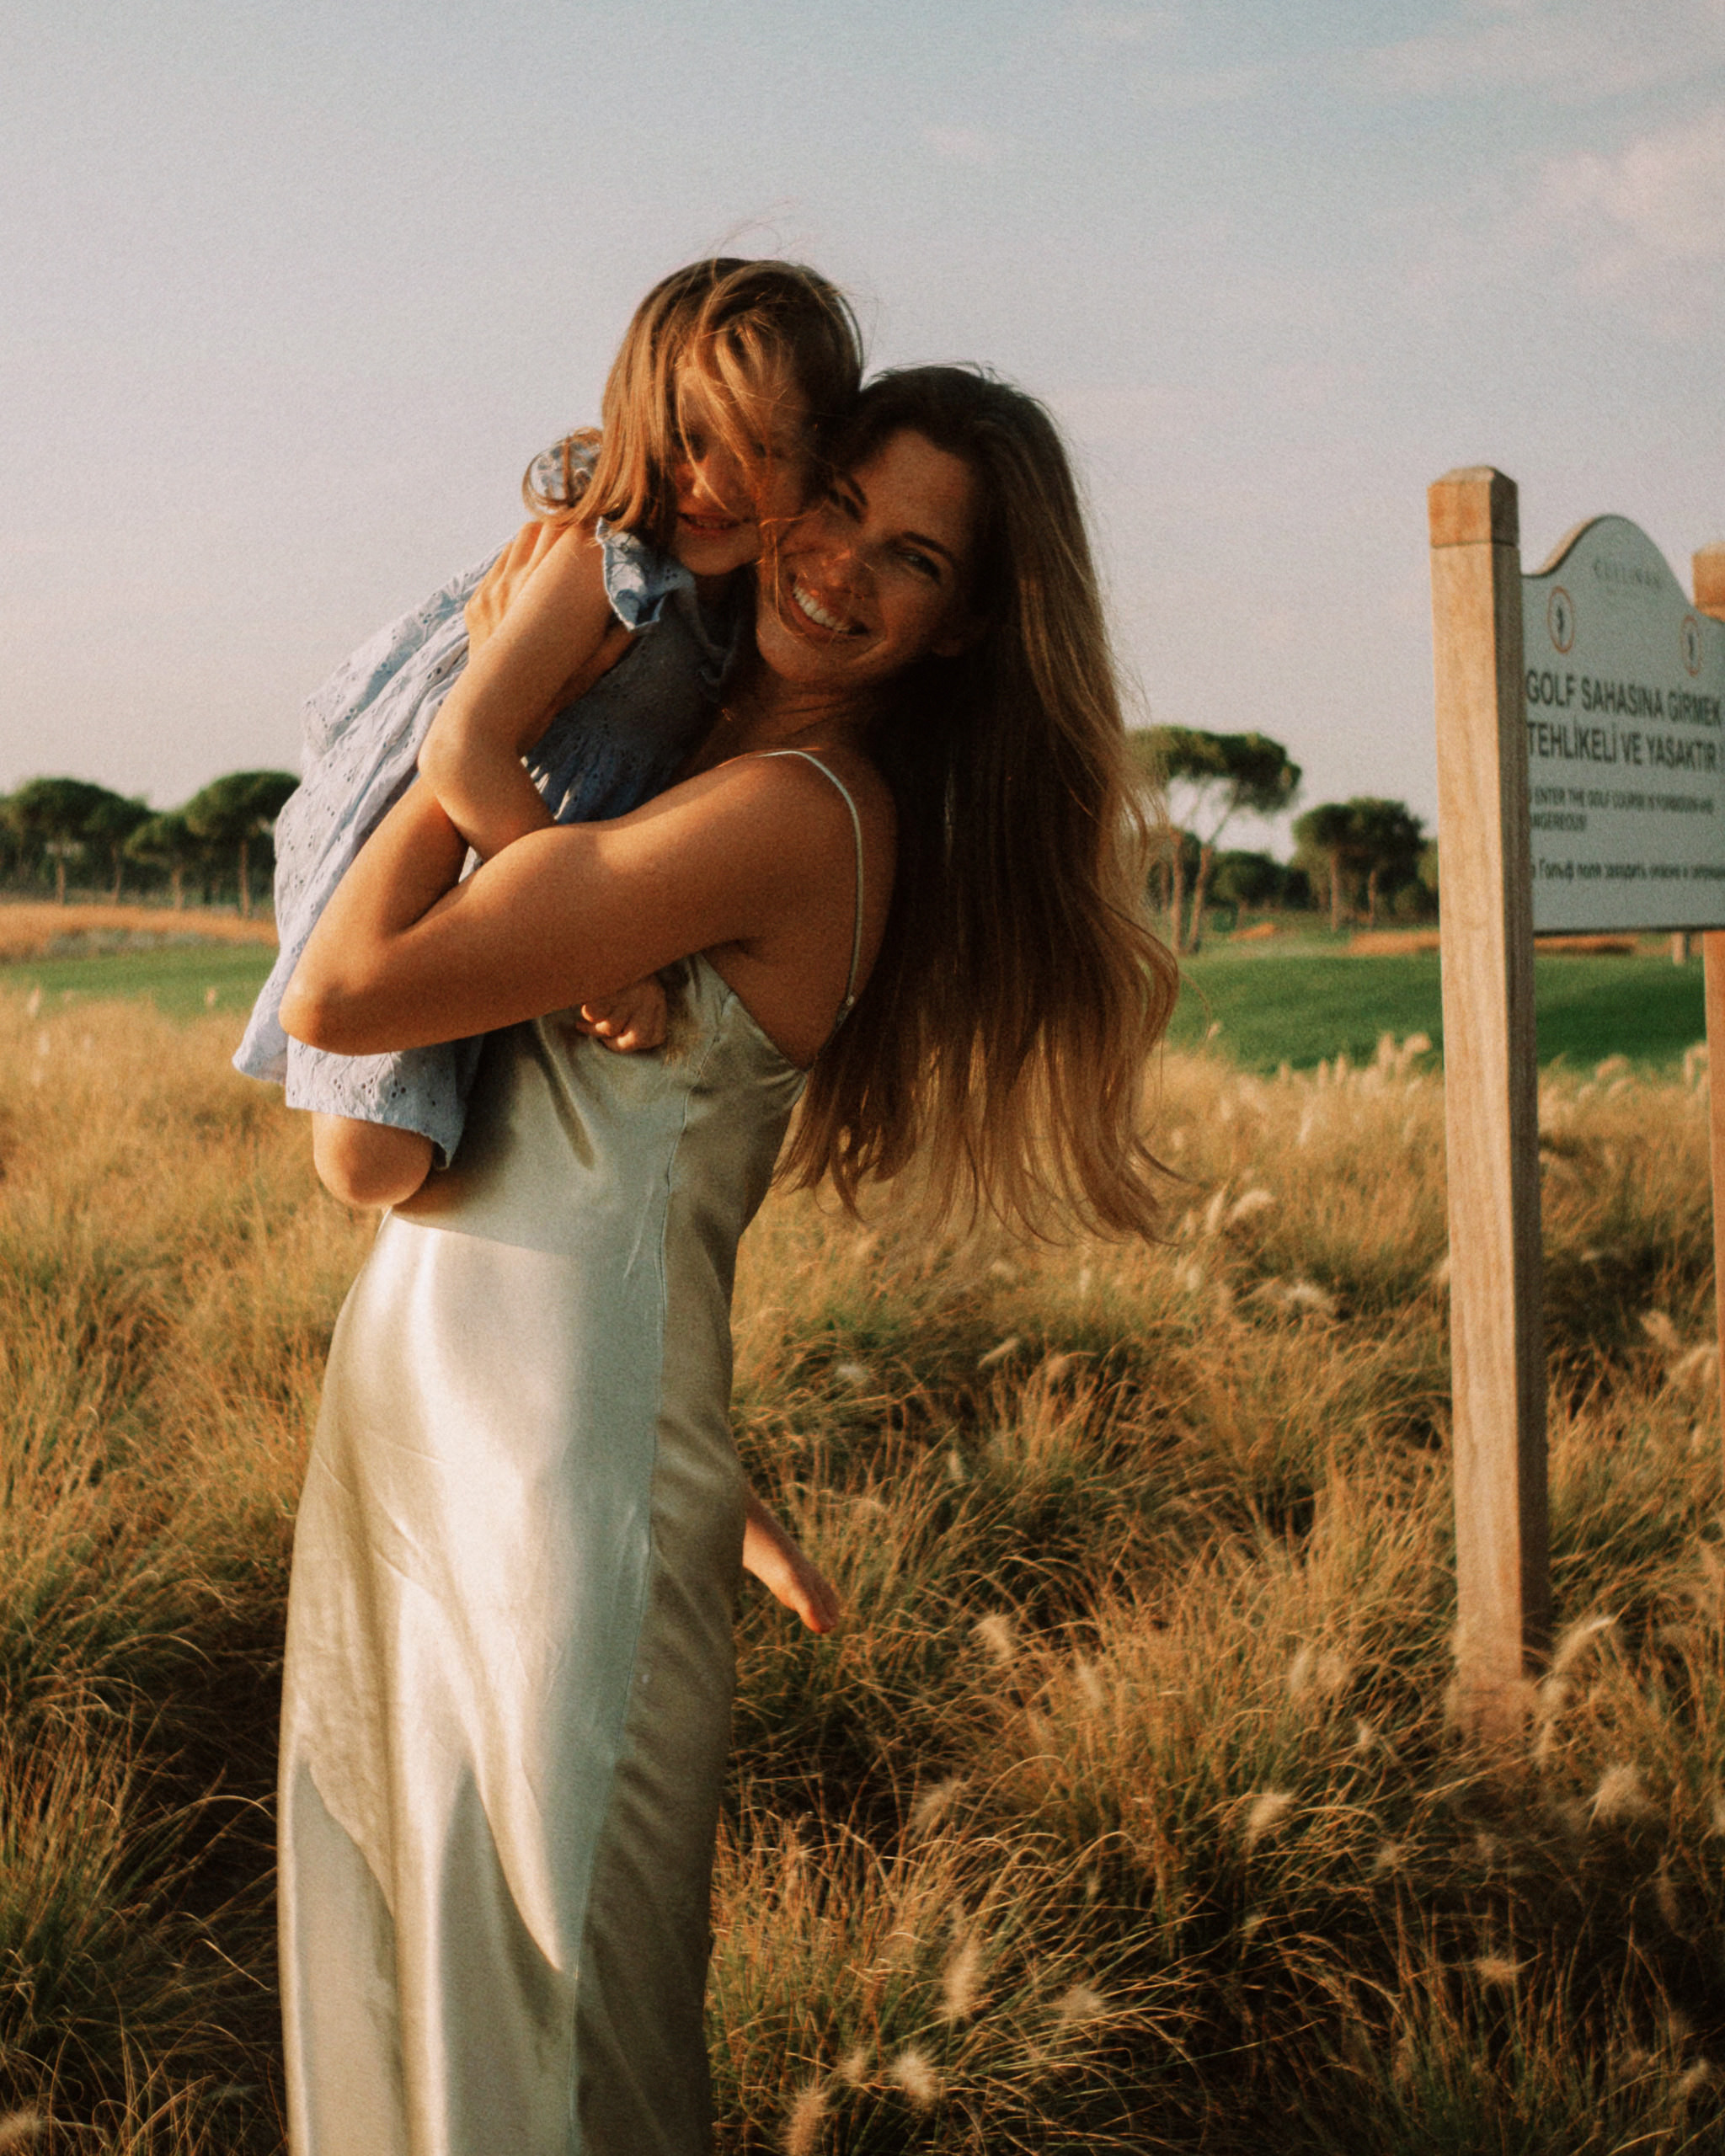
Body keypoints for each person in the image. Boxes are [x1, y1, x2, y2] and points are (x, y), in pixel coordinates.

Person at [275, 365, 1178, 2155]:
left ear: (960, 625)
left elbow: (343, 993)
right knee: (397, 1990)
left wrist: (481, 705)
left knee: (540, 2056)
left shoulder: (793, 814)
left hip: (547, 1497)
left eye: (907, 558)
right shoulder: (683, 750)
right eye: (830, 498)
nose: (836, 564)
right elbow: (600, 1178)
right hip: (438, 1439)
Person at [236, 257, 862, 1207]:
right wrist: (593, 950)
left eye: (763, 450)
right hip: (455, 823)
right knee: (371, 1163)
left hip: (528, 843)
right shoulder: (599, 562)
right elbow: (460, 748)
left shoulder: (743, 605)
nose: (715, 481)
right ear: (633, 424)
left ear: (821, 462)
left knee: (479, 1138)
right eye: (688, 438)